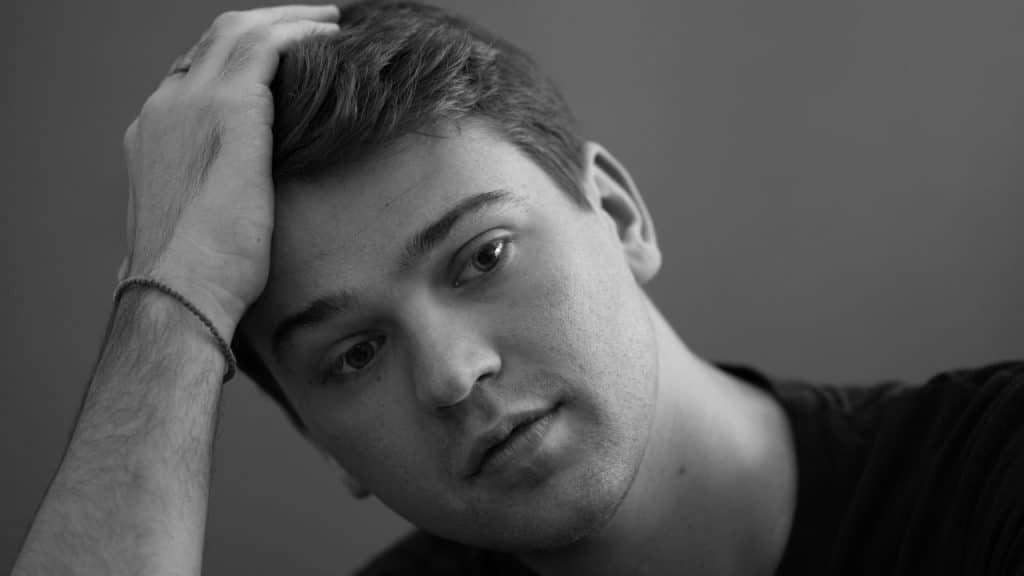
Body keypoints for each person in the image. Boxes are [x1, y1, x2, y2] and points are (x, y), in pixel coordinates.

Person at [12, 2, 1023, 575]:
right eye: (354, 355)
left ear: (621, 217)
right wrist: (170, 297)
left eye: (482, 256)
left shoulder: (991, 478)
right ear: (322, 443)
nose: (453, 374)